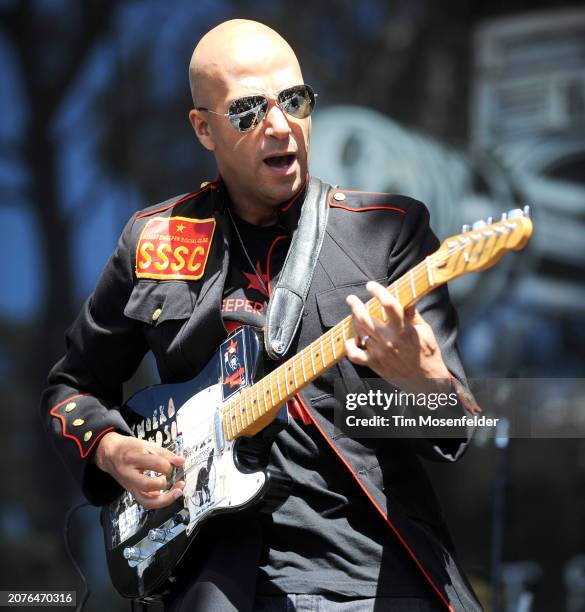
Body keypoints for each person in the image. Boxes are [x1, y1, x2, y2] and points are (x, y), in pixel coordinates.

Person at [41, 19, 483, 612]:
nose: (280, 126)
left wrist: (419, 380)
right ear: (203, 128)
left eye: (294, 101)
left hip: (372, 572)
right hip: (213, 581)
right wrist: (110, 448)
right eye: (248, 111)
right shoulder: (157, 240)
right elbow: (72, 385)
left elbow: (454, 428)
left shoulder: (386, 232)